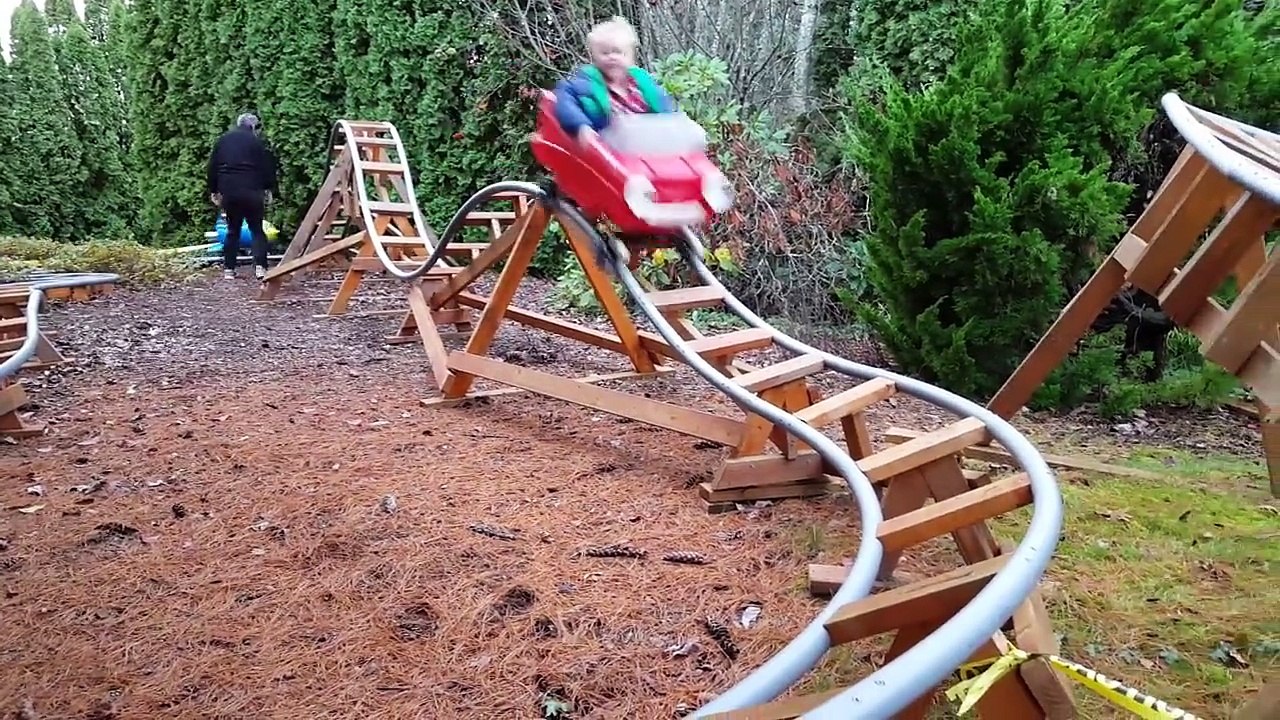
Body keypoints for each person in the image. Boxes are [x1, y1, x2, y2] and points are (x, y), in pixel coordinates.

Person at [552, 17, 678, 146]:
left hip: (647, 144)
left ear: (630, 56)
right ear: (594, 56)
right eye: (605, 53)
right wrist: (581, 126)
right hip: (610, 145)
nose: (612, 57)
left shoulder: (644, 84)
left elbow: (666, 109)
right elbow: (565, 101)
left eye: (618, 52)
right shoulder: (584, 82)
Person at [206, 112, 277, 280]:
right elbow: (266, 167)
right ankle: (260, 267)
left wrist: (214, 190)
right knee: (256, 229)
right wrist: (268, 188)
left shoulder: (223, 140)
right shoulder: (256, 142)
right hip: (252, 190)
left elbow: (213, 166)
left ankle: (229, 269)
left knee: (233, 230)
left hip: (230, 190)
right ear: (252, 126)